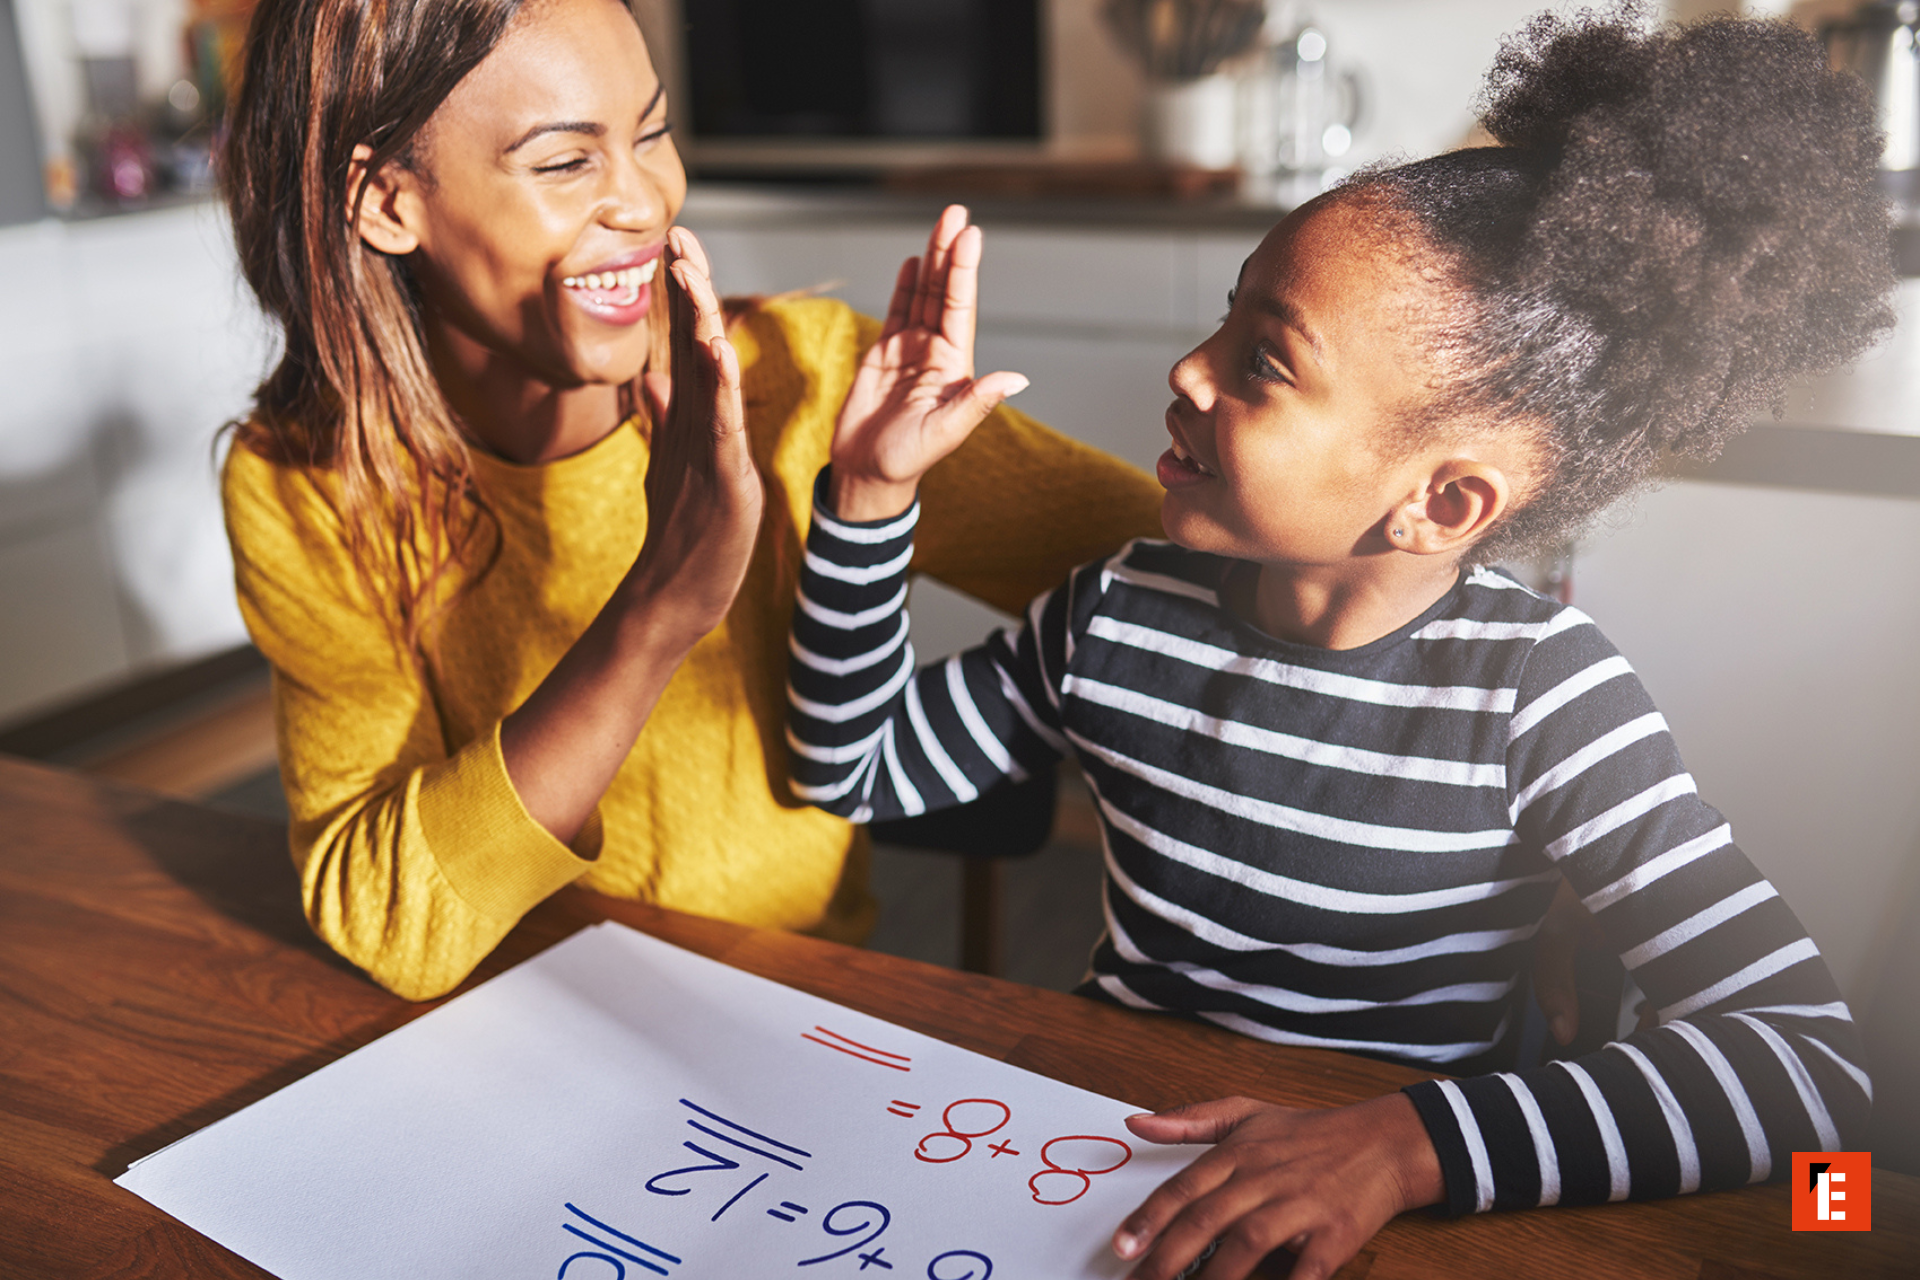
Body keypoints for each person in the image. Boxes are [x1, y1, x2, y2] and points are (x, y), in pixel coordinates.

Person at [785, 10, 1890, 1279]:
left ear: (1443, 503)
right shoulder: (1117, 610)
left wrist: (1400, 1147)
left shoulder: (1542, 694)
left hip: (1395, 1196)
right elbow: (854, 770)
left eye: (1264, 358)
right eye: (1224, 318)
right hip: (1110, 1149)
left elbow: (1813, 1076)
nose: (1189, 372)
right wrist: (868, 502)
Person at [215, 0, 1166, 1000]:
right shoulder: (308, 484)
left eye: (654, 133)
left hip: (797, 1008)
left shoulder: (811, 383)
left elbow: (1226, 573)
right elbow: (390, 919)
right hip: (503, 1014)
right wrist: (658, 608)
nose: (647, 200)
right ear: (386, 202)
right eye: (565, 162)